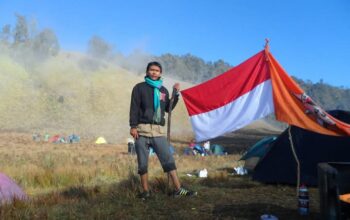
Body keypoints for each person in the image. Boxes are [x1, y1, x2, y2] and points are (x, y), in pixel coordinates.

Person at [129, 61, 197, 200]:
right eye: (152, 70)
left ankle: (178, 189)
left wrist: (176, 95)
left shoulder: (163, 90)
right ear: (147, 71)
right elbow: (134, 107)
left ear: (160, 73)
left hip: (158, 132)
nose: (154, 72)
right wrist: (133, 126)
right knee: (142, 163)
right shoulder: (139, 88)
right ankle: (146, 192)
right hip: (142, 131)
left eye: (157, 70)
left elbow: (168, 109)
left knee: (168, 160)